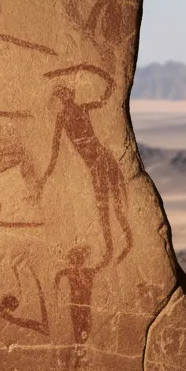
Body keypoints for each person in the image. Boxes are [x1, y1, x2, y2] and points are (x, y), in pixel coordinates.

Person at [39, 65, 133, 267]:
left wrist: (85, 67)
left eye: (67, 93)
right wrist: (45, 177)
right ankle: (111, 250)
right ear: (61, 98)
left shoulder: (82, 108)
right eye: (63, 94)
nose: (67, 96)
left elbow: (109, 89)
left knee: (112, 206)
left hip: (102, 158)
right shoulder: (63, 117)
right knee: (104, 209)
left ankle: (125, 243)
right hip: (96, 164)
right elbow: (54, 152)